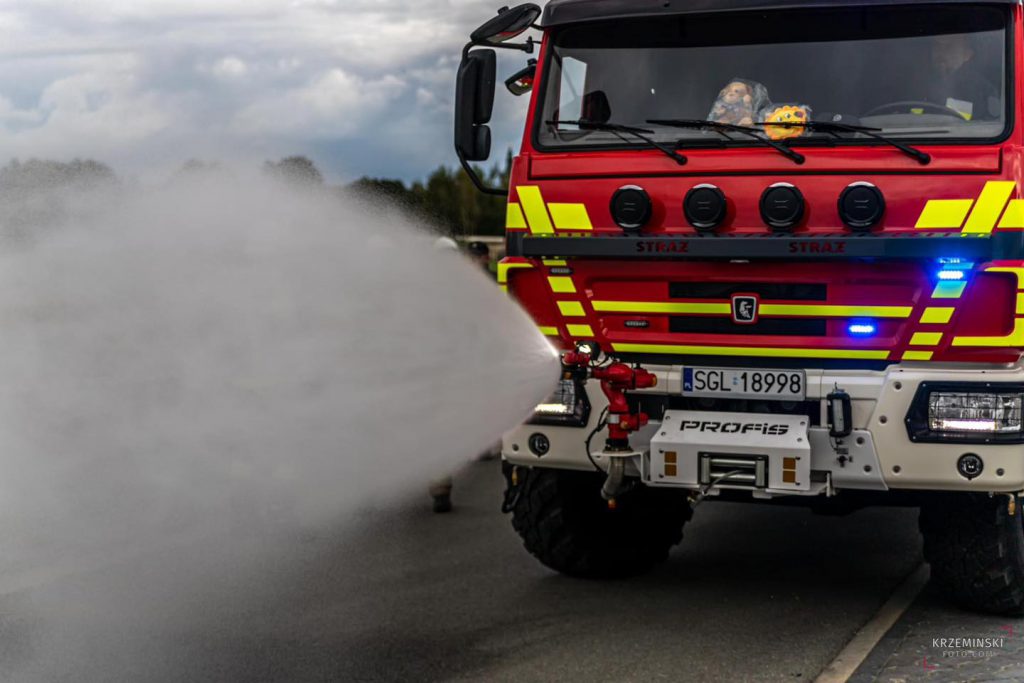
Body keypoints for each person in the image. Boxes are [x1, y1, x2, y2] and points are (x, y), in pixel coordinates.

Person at [927, 33, 999, 121]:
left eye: (949, 47)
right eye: (937, 47)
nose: (940, 53)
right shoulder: (922, 84)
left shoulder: (981, 89)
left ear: (968, 54)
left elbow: (989, 124)